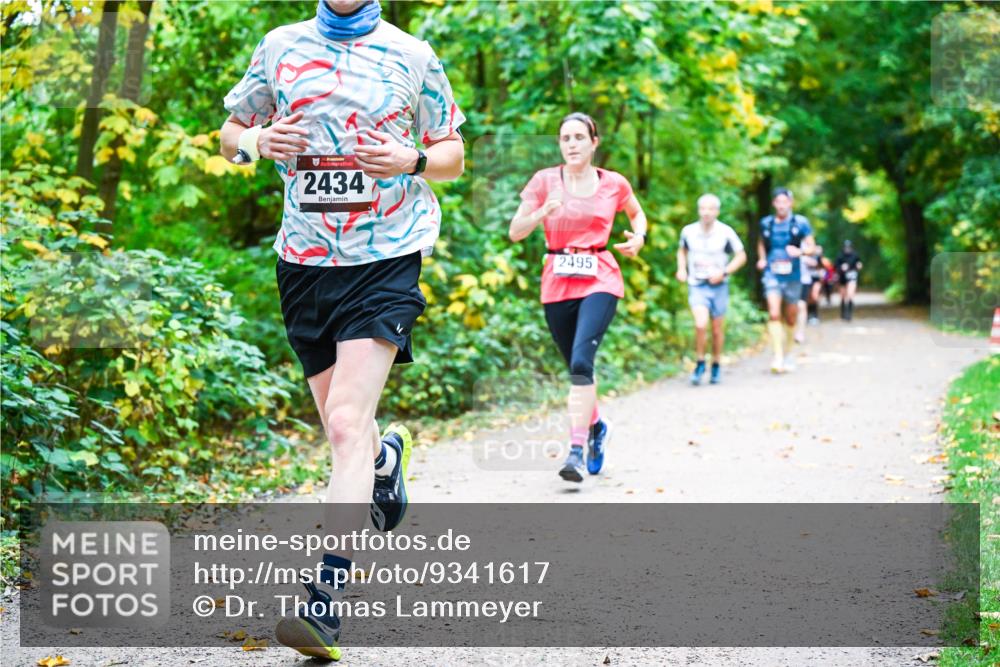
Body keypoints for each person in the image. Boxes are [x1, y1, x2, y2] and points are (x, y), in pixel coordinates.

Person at [220, 0, 465, 660]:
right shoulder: (279, 47)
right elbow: (230, 133)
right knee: (344, 429)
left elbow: (452, 153)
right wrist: (254, 144)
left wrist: (411, 160)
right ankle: (386, 462)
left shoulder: (412, 54)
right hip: (302, 261)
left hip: (385, 257)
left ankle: (324, 603)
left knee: (346, 425)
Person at [509, 112, 648, 483]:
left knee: (582, 361)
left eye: (578, 138)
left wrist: (639, 237)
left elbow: (637, 214)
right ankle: (598, 427)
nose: (571, 144)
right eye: (565, 138)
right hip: (557, 280)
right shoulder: (544, 181)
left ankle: (576, 450)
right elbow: (515, 232)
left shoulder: (613, 183)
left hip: (599, 276)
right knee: (576, 367)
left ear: (593, 143)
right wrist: (542, 211)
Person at [675, 194, 747, 385]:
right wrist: (682, 269)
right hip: (697, 285)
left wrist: (724, 272)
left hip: (719, 286)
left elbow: (741, 256)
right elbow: (682, 250)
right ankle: (699, 363)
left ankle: (715, 364)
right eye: (703, 208)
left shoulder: (726, 232)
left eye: (710, 209)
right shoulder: (688, 231)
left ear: (717, 211)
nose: (706, 212)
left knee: (716, 330)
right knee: (700, 324)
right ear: (699, 210)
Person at [756, 187, 815, 373]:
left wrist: (800, 251)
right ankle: (777, 355)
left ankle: (788, 353)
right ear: (774, 203)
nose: (781, 205)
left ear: (790, 203)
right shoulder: (766, 224)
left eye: (785, 202)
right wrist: (762, 259)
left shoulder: (800, 223)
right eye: (778, 202)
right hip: (772, 273)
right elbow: (760, 243)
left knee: (791, 315)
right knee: (774, 313)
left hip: (793, 274)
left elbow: (811, 247)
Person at [836, 240, 863, 321]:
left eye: (849, 247)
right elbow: (835, 267)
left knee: (850, 294)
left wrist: (859, 266)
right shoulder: (840, 256)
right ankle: (843, 313)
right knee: (843, 296)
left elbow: (859, 263)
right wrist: (841, 267)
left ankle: (849, 314)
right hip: (842, 278)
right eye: (846, 247)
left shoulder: (855, 255)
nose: (847, 249)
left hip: (852, 276)